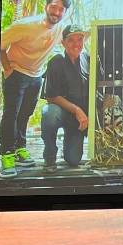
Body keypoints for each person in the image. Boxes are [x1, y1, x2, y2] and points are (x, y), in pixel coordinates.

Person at [0, 0, 73, 178]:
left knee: (25, 114)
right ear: (46, 6)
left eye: (61, 9)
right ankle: (7, 154)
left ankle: (19, 148)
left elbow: (75, 39)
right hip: (15, 73)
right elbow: (0, 43)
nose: (56, 12)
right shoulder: (25, 26)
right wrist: (7, 69)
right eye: (53, 6)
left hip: (36, 75)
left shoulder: (60, 28)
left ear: (64, 12)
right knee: (11, 113)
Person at [40, 25, 90, 172]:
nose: (76, 44)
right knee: (49, 113)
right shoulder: (56, 61)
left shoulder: (88, 59)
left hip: (79, 120)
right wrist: (76, 110)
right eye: (71, 40)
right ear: (63, 43)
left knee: (73, 160)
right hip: (62, 113)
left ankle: (69, 143)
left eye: (80, 39)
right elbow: (51, 97)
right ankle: (50, 156)